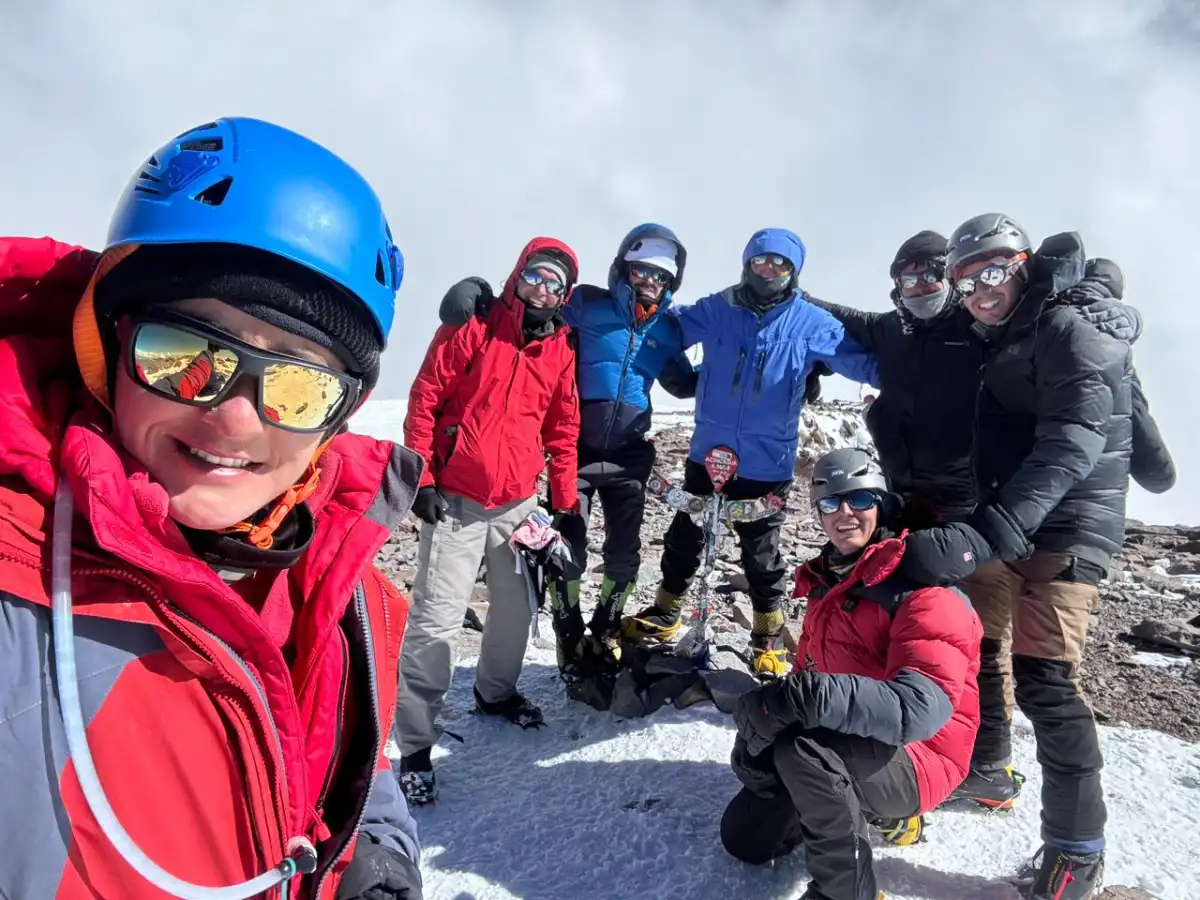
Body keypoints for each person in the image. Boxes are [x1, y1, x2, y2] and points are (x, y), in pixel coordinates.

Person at [0, 118, 423, 900]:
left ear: (338, 416)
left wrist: (376, 855)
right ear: (108, 344)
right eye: (185, 354)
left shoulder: (340, 584)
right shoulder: (16, 588)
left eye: (298, 385)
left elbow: (343, 752)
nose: (235, 419)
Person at [899, 214, 1131, 899]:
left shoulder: (1063, 326)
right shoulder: (1010, 333)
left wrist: (992, 527)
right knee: (974, 643)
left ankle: (1076, 855)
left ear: (1024, 264)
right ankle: (989, 769)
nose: (980, 288)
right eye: (966, 277)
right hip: (1016, 522)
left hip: (1065, 531)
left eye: (994, 270)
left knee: (1047, 684)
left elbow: (1074, 442)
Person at [435, 225, 699, 682]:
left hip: (630, 456)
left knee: (623, 551)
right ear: (624, 268)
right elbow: (529, 303)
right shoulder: (588, 304)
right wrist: (475, 291)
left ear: (672, 284)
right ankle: (568, 627)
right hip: (573, 450)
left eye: (661, 277)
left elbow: (684, 383)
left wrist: (759, 378)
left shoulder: (669, 331)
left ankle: (606, 628)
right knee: (567, 548)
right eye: (641, 271)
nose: (649, 283)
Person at [724, 448, 982, 900]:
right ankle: (855, 806)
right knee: (745, 837)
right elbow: (810, 673)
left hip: (921, 754)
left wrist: (803, 700)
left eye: (859, 500)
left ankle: (846, 891)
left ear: (881, 504)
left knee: (803, 749)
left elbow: (918, 709)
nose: (845, 513)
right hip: (851, 736)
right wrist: (759, 739)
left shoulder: (922, 586)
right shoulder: (830, 582)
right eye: (830, 504)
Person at [622, 228, 880, 677]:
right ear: (747, 263)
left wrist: (912, 367)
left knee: (761, 552)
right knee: (686, 535)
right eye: (761, 262)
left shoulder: (809, 322)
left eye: (781, 264)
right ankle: (666, 614)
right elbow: (665, 328)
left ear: (794, 271)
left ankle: (766, 636)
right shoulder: (720, 308)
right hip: (708, 453)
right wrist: (663, 358)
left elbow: (866, 363)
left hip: (767, 462)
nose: (769, 271)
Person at [397, 238, 581, 803]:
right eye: (534, 276)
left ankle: (494, 694)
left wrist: (567, 507)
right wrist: (421, 480)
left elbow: (563, 431)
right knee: (436, 619)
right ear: (516, 276)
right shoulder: (474, 326)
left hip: (519, 503)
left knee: (517, 609)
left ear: (565, 295)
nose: (541, 289)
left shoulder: (562, 350)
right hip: (454, 498)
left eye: (554, 283)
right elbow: (425, 398)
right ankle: (415, 746)